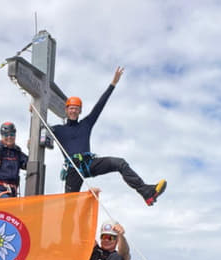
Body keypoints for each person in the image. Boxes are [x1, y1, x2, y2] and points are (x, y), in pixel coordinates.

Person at [50, 67, 166, 206]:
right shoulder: (57, 130)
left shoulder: (86, 124)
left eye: (76, 108)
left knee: (120, 163)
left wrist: (113, 84)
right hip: (73, 170)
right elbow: (41, 134)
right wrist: (33, 115)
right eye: (71, 108)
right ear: (66, 110)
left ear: (80, 111)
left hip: (89, 164)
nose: (73, 111)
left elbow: (100, 106)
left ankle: (147, 193)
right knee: (69, 204)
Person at [0, 122, 28, 198]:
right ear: (2, 136)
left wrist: (31, 148)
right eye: (6, 135)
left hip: (12, 192)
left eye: (12, 134)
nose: (9, 137)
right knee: (9, 203)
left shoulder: (17, 153)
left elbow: (29, 164)